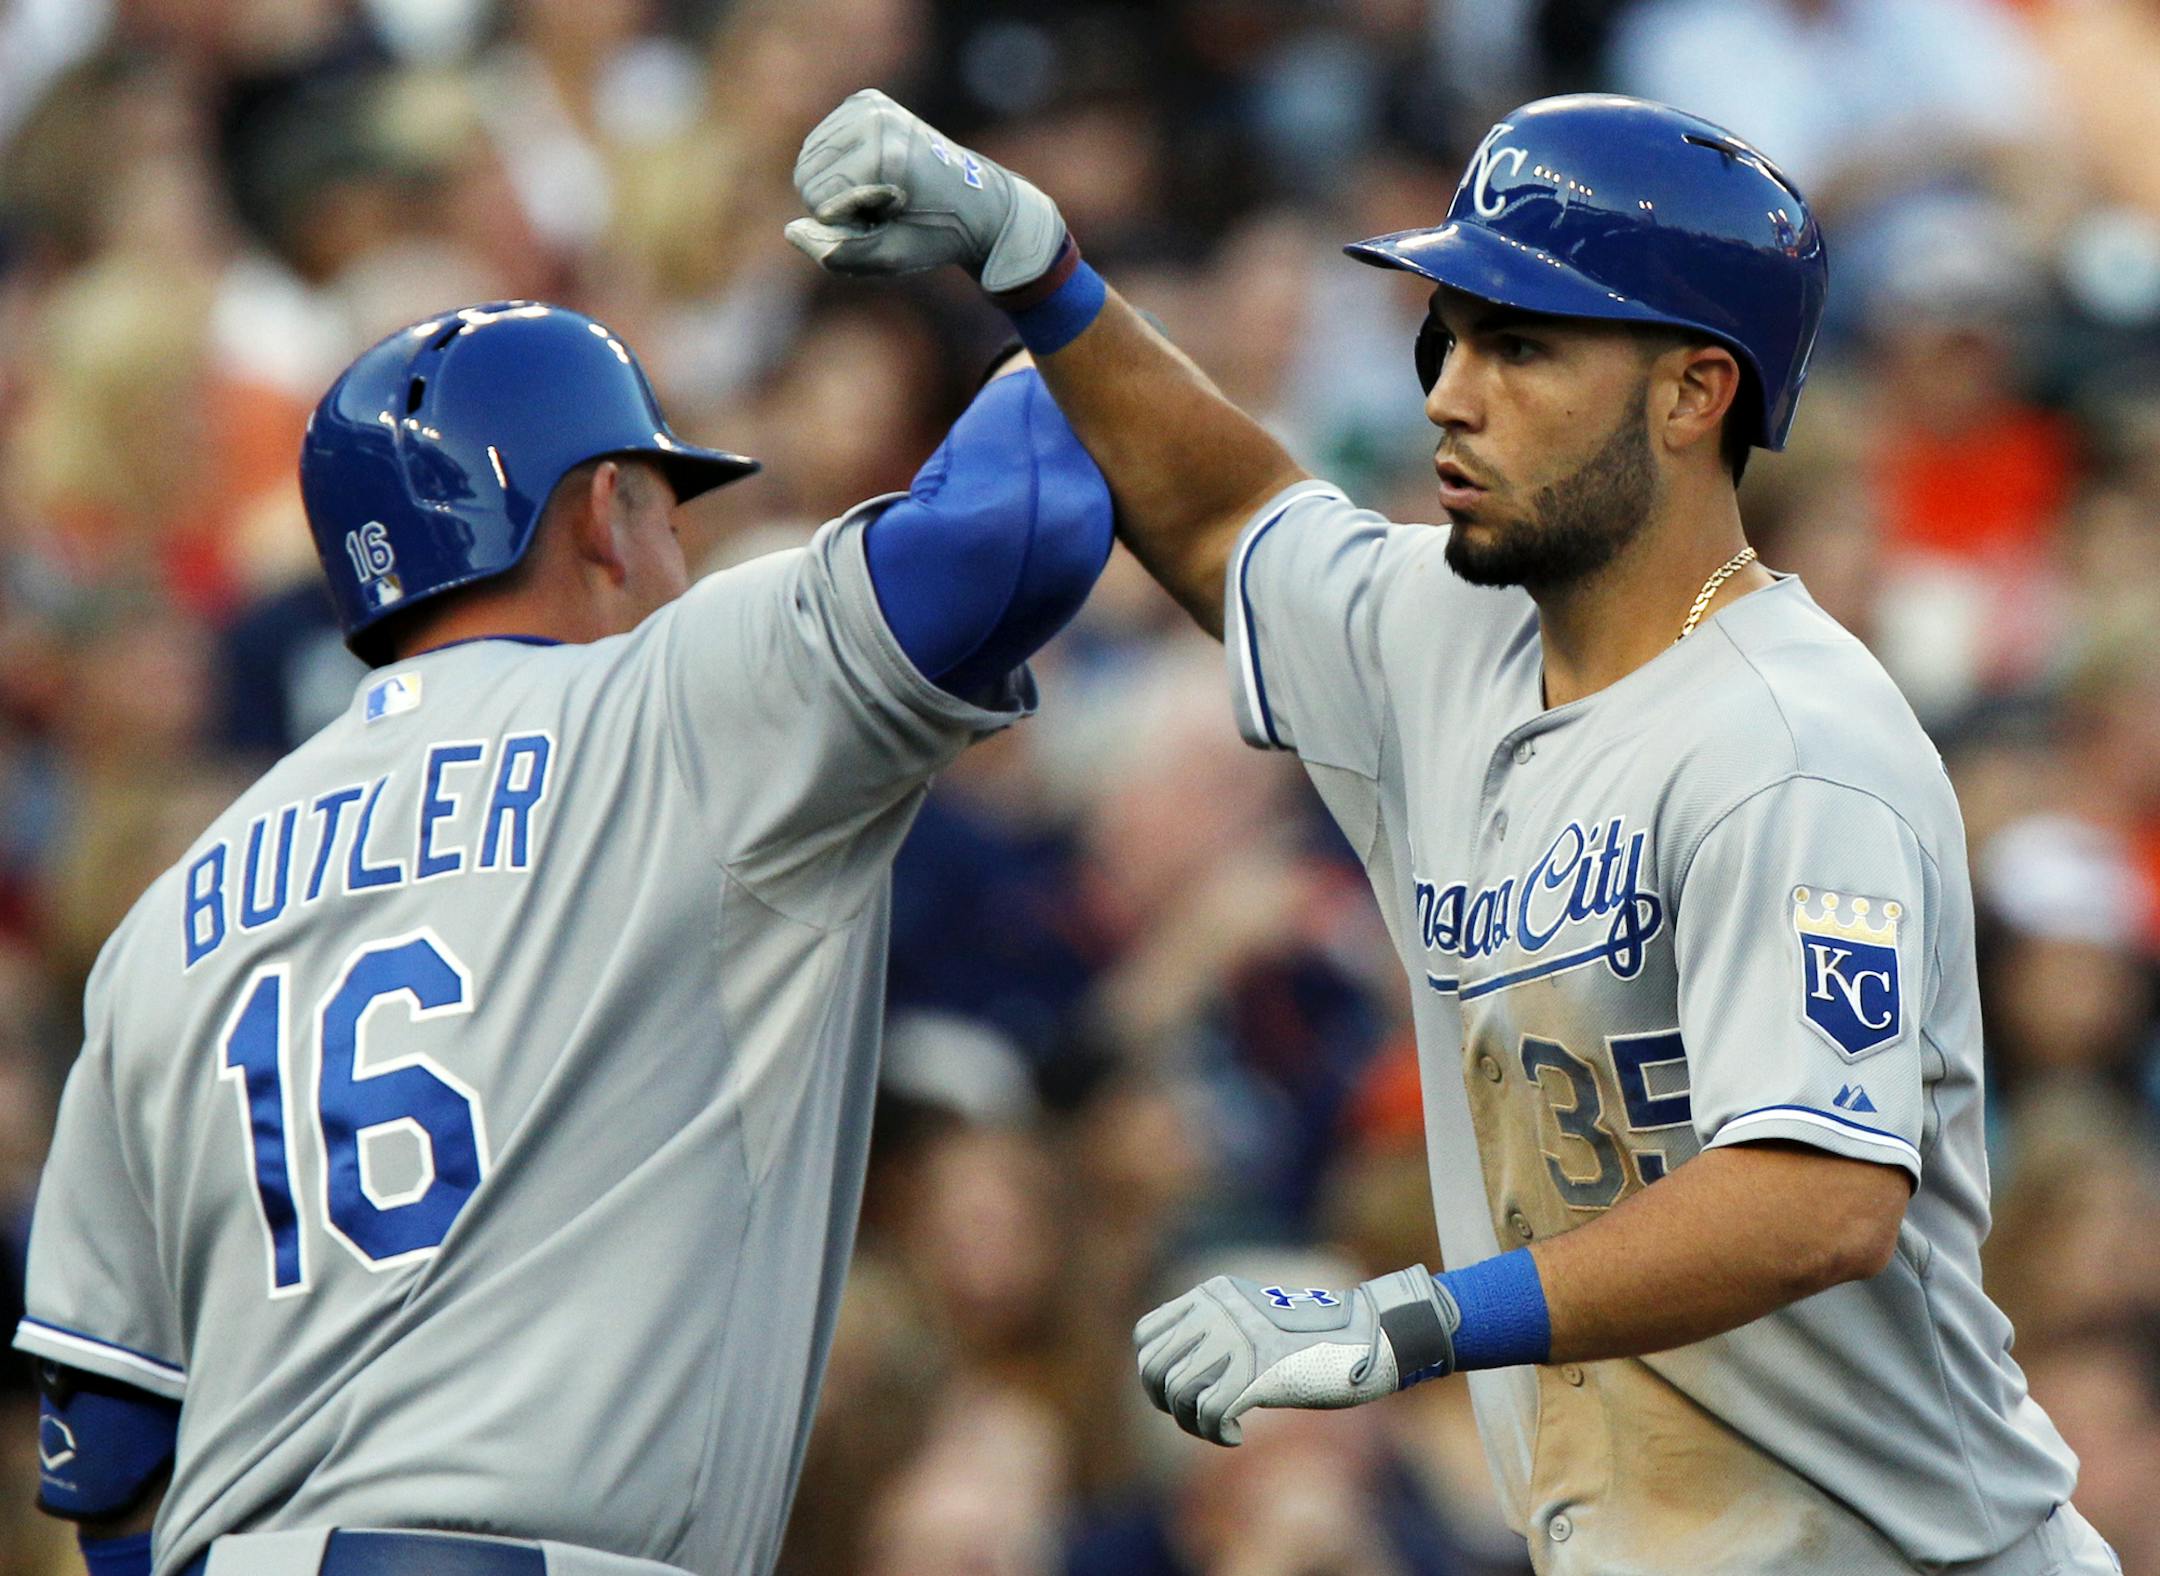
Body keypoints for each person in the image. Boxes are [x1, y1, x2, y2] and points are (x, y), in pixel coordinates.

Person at [783, 90, 2122, 1574]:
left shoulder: (1795, 746)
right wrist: (1040, 268)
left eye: (1523, 345)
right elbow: (1230, 515)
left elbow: (1819, 1200)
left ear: (1695, 393)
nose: (1448, 391)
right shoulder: (1453, 628)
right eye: (1451, 335)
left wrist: (1412, 1317)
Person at [11, 299, 1113, 1576]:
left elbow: (113, 1451)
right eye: (667, 506)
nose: (679, 551)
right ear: (602, 511)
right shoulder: (671, 709)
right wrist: (1051, 291)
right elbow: (1020, 523)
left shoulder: (166, 911)